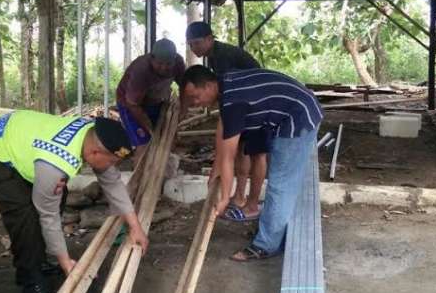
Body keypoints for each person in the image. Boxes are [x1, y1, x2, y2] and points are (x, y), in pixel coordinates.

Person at [0, 111, 148, 293]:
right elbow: (48, 216)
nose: (113, 166)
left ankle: (38, 259)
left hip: (18, 137)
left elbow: (112, 182)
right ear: (94, 153)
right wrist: (67, 264)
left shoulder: (90, 135)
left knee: (57, 195)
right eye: (112, 161)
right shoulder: (56, 163)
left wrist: (135, 227)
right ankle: (31, 281)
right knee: (23, 212)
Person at [181, 65, 323, 261]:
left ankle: (266, 245)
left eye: (196, 97)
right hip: (294, 110)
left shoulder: (233, 99)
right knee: (282, 181)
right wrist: (215, 169)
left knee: (280, 183)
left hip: (298, 117)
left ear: (208, 85)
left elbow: (229, 157)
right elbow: (222, 134)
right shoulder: (226, 85)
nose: (196, 103)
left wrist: (225, 198)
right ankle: (273, 231)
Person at [185, 21, 266, 221]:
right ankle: (239, 197)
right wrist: (218, 162)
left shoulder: (222, 57)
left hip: (258, 103)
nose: (193, 48)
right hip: (246, 103)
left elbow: (228, 97)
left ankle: (250, 202)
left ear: (210, 39)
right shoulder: (213, 56)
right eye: (190, 44)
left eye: (196, 43)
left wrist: (219, 162)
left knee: (256, 153)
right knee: (240, 150)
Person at [116, 38, 186, 165]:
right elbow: (133, 105)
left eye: (168, 64)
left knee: (168, 136)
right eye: (159, 63)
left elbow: (185, 88)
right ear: (152, 58)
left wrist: (182, 111)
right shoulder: (141, 70)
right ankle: (139, 179)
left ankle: (166, 169)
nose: (164, 68)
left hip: (156, 102)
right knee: (144, 142)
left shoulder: (178, 64)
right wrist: (149, 128)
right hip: (130, 105)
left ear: (174, 61)